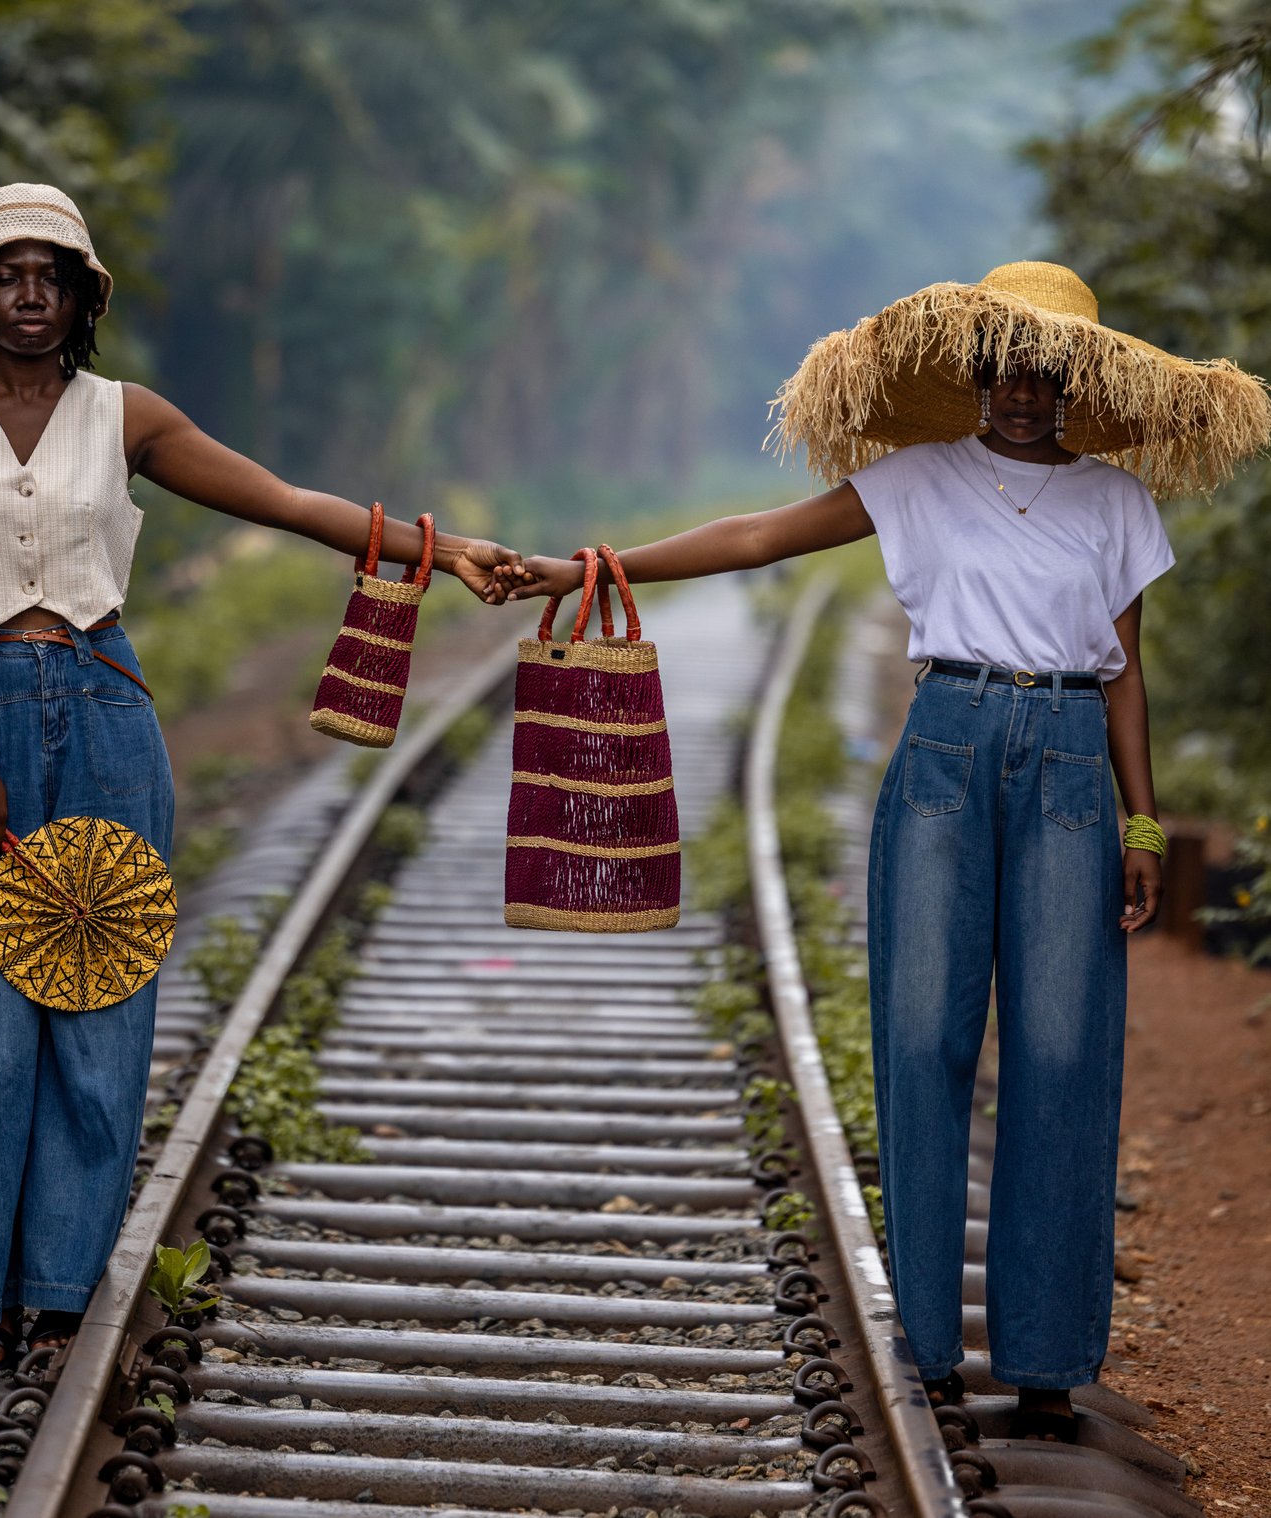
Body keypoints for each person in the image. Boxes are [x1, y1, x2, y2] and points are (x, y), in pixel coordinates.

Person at [504, 260, 1270, 1439]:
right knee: (920, 1038)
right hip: (943, 751)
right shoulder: (916, 476)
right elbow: (758, 533)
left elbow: (1127, 675)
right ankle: (924, 1342)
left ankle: (1046, 1356)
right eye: (1003, 368)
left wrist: (1142, 819)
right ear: (970, 378)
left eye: (1044, 369)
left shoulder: (1117, 501)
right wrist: (590, 569)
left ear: (1075, 379)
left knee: (1063, 1054)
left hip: (1070, 759)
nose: (1023, 389)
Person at [0, 182, 524, 1372]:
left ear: (81, 299)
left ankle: (63, 1287)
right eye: (7, 274)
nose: (30, 294)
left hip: (106, 719)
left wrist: (442, 551)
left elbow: (282, 502)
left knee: (96, 1011)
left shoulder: (126, 418)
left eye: (52, 275)